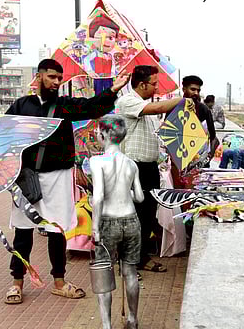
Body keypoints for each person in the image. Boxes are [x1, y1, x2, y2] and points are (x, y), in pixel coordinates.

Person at [3, 59, 130, 304]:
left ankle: (59, 282)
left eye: (59, 78)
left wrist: (113, 89)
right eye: (51, 77)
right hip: (27, 178)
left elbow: (93, 108)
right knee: (23, 231)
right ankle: (16, 283)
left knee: (57, 231)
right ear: (39, 77)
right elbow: (3, 134)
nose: (56, 82)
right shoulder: (21, 105)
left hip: (58, 176)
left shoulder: (64, 106)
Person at [116, 65, 192, 273]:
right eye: (154, 84)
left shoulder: (145, 107)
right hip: (133, 167)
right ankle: (129, 261)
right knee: (134, 215)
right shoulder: (128, 101)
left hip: (149, 167)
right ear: (142, 84)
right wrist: (182, 99)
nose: (156, 88)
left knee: (148, 214)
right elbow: (159, 108)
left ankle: (140, 257)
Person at [90, 114, 144, 329]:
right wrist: (124, 193)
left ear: (103, 134)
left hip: (108, 222)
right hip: (131, 221)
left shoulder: (97, 161)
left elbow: (99, 197)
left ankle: (106, 326)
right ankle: (132, 319)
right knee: (130, 272)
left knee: (104, 274)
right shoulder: (131, 164)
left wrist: (95, 228)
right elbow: (139, 197)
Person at [170, 76, 218, 187]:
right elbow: (168, 134)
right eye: (193, 89)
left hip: (200, 163)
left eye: (198, 90)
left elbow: (213, 137)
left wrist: (207, 157)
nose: (196, 93)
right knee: (181, 194)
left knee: (198, 195)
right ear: (184, 89)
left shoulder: (204, 109)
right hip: (178, 163)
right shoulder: (174, 108)